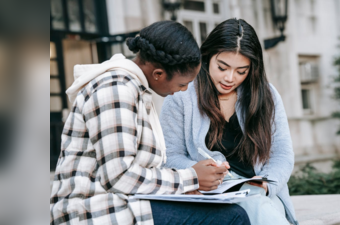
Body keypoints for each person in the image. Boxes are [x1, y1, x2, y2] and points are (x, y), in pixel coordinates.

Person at [50, 20, 250, 225]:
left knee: (224, 211)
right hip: (90, 212)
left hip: (122, 205)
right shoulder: (115, 90)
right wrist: (191, 177)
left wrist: (190, 182)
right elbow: (119, 177)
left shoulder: (135, 90)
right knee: (233, 217)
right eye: (183, 84)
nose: (183, 90)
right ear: (158, 74)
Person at [160, 18, 299, 225]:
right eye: (222, 67)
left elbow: (282, 154)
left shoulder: (267, 95)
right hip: (209, 196)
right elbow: (169, 156)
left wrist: (266, 185)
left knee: (255, 204)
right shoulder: (181, 94)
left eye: (241, 71)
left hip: (261, 194)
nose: (230, 78)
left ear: (252, 68)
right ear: (207, 57)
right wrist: (199, 172)